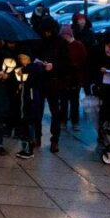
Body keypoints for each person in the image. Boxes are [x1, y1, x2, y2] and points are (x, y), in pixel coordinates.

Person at [36, 16, 69, 153]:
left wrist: (53, 66)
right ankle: (37, 137)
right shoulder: (38, 42)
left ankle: (55, 139)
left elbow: (66, 63)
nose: (47, 34)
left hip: (54, 82)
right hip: (40, 80)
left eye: (49, 31)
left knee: (55, 112)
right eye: (45, 31)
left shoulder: (60, 43)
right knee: (37, 111)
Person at [59, 25, 88, 130]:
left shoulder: (78, 45)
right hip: (64, 77)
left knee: (74, 101)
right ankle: (63, 121)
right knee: (64, 101)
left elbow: (84, 60)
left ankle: (75, 121)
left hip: (75, 77)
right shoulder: (62, 45)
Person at [15, 52, 43, 159]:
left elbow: (34, 77)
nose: (22, 60)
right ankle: (25, 147)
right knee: (24, 124)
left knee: (29, 124)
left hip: (30, 101)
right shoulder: (22, 68)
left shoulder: (34, 68)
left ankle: (28, 148)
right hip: (24, 101)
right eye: (21, 58)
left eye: (24, 58)